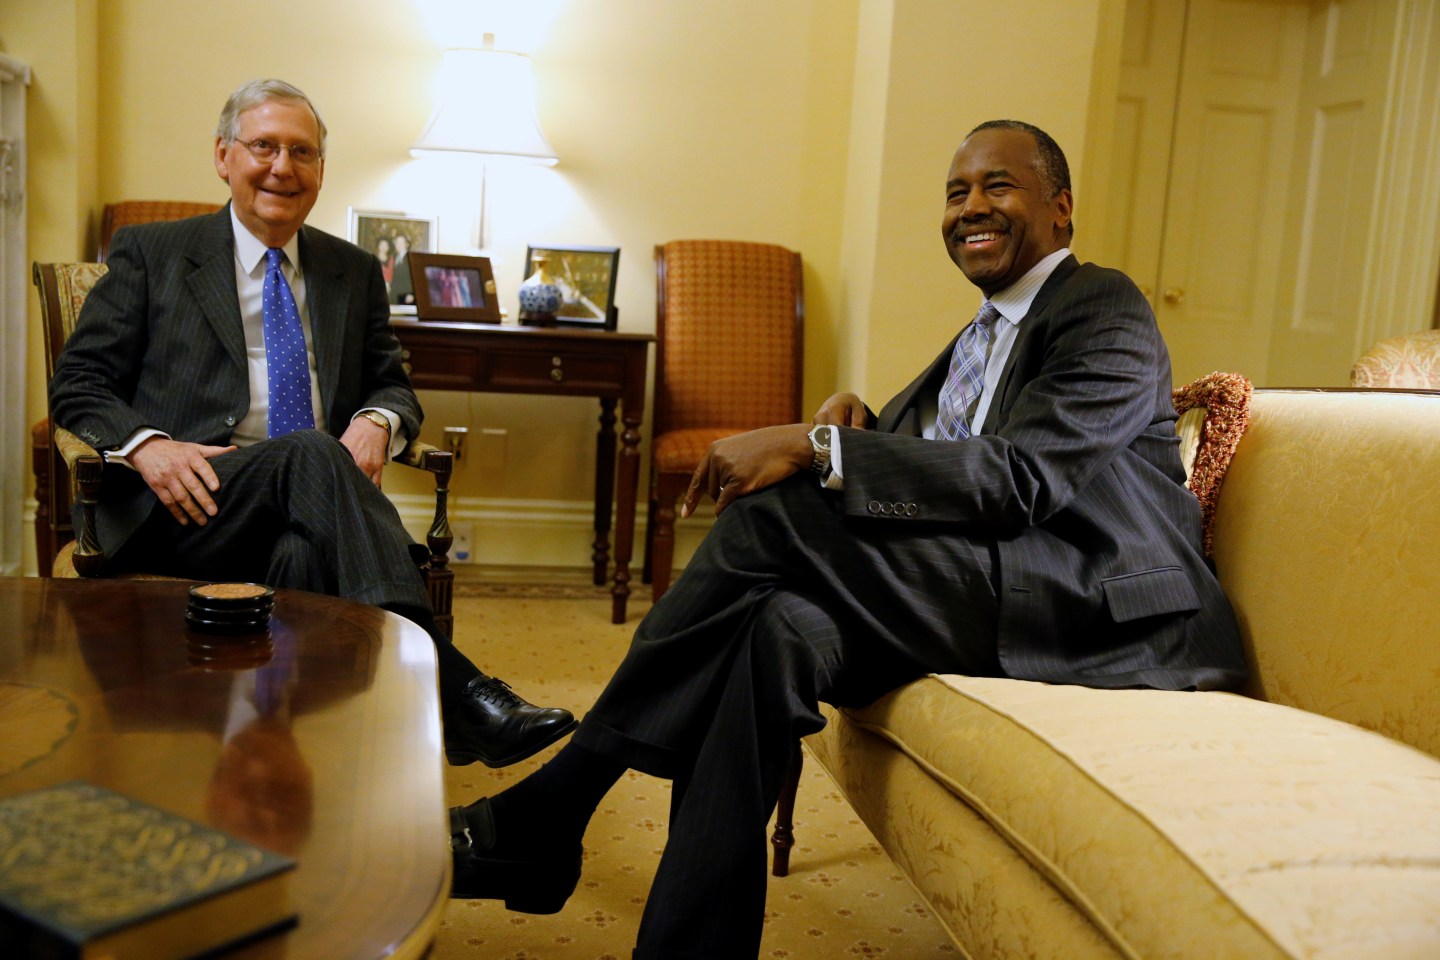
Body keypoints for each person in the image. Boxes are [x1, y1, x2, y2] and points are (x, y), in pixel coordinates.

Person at [447, 120, 1248, 957]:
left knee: (771, 511)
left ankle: (555, 807)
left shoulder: (1102, 307)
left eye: (997, 186)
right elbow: (941, 457)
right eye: (955, 192)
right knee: (773, 632)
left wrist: (816, 446)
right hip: (1006, 586)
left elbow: (1017, 480)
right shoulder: (979, 336)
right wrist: (853, 418)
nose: (971, 206)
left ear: (1061, 208)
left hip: (1109, 611)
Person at [49, 78, 574, 771]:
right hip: (186, 504)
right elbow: (78, 384)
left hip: (310, 510)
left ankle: (299, 764)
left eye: (302, 152)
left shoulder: (353, 270)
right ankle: (451, 687)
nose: (282, 167)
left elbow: (392, 382)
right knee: (309, 452)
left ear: (322, 170)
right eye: (263, 146)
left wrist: (378, 420)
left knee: (301, 551)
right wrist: (149, 448)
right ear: (223, 156)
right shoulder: (152, 252)